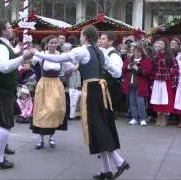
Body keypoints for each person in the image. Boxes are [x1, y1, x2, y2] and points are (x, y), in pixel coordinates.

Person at [32, 26, 129, 180]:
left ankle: (119, 161)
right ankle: (106, 169)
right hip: (101, 90)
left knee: (97, 128)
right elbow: (116, 72)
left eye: (81, 35)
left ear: (84, 36)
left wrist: (36, 53)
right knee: (100, 126)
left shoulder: (82, 50)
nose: (81, 37)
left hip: (91, 90)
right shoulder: (101, 51)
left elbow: (58, 58)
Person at [0, 19, 34, 170]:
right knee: (5, 124)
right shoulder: (0, 47)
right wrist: (23, 58)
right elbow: (4, 67)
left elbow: (10, 55)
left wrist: (19, 51)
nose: (11, 28)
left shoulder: (4, 44)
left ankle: (1, 145)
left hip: (5, 89)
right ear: (2, 31)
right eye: (8, 27)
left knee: (11, 115)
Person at [30, 35, 75, 150]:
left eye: (55, 43)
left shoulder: (60, 56)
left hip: (56, 85)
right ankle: (40, 139)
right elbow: (30, 61)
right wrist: (28, 48)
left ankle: (51, 137)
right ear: (46, 44)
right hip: (44, 85)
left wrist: (70, 71)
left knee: (54, 110)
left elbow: (71, 67)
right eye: (51, 43)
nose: (54, 45)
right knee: (42, 111)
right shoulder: (41, 55)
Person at [122, 45, 152, 126]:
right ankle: (134, 117)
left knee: (140, 102)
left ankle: (142, 118)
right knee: (132, 102)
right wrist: (127, 67)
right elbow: (123, 69)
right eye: (135, 51)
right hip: (130, 84)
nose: (136, 53)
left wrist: (138, 70)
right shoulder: (129, 60)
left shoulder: (146, 60)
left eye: (138, 52)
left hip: (141, 85)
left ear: (142, 52)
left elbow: (148, 72)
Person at [150, 38, 177, 127]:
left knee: (166, 99)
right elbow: (152, 69)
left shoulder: (170, 56)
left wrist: (171, 74)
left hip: (166, 80)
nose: (160, 45)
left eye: (162, 43)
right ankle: (159, 117)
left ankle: (165, 118)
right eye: (159, 43)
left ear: (165, 45)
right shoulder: (154, 56)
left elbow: (175, 68)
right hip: (157, 80)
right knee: (158, 98)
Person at [99, 31, 124, 118]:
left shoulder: (114, 55)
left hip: (110, 88)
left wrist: (108, 67)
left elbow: (117, 73)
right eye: (100, 38)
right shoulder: (103, 52)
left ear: (110, 41)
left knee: (108, 115)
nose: (100, 41)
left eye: (103, 39)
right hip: (103, 87)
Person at [62, 43, 81, 120]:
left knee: (74, 97)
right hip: (65, 80)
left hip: (74, 80)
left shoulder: (72, 57)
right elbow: (72, 68)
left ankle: (73, 114)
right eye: (65, 48)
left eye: (68, 48)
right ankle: (68, 114)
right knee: (68, 97)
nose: (67, 50)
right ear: (63, 49)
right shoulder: (63, 56)